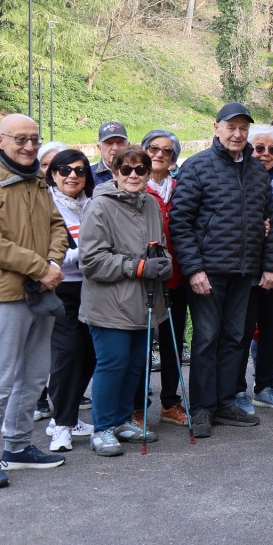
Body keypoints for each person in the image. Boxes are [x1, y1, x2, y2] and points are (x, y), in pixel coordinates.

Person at [0, 114, 71, 488]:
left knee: (35, 375)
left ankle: (19, 447)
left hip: (42, 291)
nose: (28, 146)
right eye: (20, 139)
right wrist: (41, 267)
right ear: (0, 142)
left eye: (34, 139)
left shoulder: (37, 180)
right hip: (4, 294)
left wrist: (54, 263)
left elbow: (57, 225)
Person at [170, 102, 273, 439]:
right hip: (208, 272)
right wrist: (194, 269)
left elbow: (269, 221)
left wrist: (270, 264)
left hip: (244, 270)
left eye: (242, 128)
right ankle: (202, 407)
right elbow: (181, 222)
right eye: (230, 127)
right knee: (206, 339)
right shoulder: (197, 166)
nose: (237, 134)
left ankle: (223, 401)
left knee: (235, 338)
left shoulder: (256, 170)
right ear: (216, 127)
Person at [78, 145, 174, 456]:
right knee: (113, 364)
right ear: (115, 171)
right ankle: (102, 428)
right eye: (126, 169)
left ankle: (121, 421)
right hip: (110, 303)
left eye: (140, 169)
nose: (133, 175)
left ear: (149, 173)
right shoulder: (99, 207)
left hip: (145, 302)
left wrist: (164, 261)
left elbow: (157, 247)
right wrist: (137, 266)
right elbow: (91, 261)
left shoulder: (150, 205)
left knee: (136, 366)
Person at [235, 123, 273, 413]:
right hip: (246, 266)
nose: (266, 154)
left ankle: (264, 386)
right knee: (242, 331)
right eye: (259, 148)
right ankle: (237, 390)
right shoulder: (240, 176)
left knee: (272, 329)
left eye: (272, 149)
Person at [44, 149, 96, 452]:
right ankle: (61, 426)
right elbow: (52, 256)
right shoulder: (47, 206)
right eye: (64, 170)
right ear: (53, 174)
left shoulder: (93, 205)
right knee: (68, 354)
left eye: (79, 170)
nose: (72, 176)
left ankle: (70, 415)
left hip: (92, 289)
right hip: (62, 290)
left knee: (89, 354)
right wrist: (89, 254)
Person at [140, 128, 189, 424]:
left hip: (179, 276)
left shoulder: (181, 187)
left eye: (166, 151)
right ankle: (137, 404)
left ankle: (170, 402)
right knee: (143, 344)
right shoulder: (135, 186)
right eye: (153, 149)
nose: (159, 154)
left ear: (173, 159)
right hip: (144, 278)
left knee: (173, 342)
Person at [92, 121, 129, 185]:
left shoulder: (140, 172)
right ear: (99, 148)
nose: (115, 148)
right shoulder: (87, 175)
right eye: (109, 143)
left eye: (120, 142)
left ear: (128, 145)